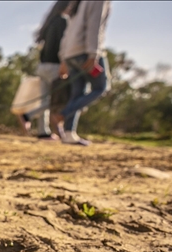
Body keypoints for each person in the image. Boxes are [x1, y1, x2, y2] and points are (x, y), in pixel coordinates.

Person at [54, 0, 112, 146]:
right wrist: (94, 53)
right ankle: (65, 112)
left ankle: (68, 134)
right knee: (101, 87)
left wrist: (63, 58)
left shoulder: (78, 3)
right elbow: (95, 25)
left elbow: (67, 34)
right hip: (85, 52)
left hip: (70, 54)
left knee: (77, 93)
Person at [20, 0, 73, 141]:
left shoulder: (49, 22)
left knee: (43, 99)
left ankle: (43, 132)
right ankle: (27, 115)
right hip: (55, 66)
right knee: (53, 102)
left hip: (42, 66)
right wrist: (65, 63)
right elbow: (63, 46)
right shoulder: (63, 21)